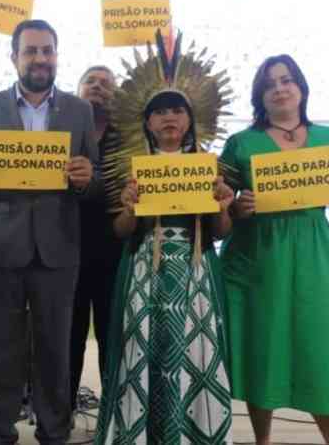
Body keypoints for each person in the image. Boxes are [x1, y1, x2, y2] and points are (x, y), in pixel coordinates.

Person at [0, 19, 101, 445]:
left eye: (47, 50)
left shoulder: (80, 111)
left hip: (59, 246)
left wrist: (86, 177)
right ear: (14, 57)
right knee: (3, 347)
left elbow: (93, 185)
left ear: (57, 55)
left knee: (56, 348)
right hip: (2, 246)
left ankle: (55, 431)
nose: (40, 58)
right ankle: (0, 431)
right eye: (31, 51)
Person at [94, 34, 234, 444]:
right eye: (160, 112)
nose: (169, 118)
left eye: (177, 110)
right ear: (147, 122)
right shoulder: (136, 169)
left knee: (193, 354)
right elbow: (121, 233)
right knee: (143, 353)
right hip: (143, 271)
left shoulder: (206, 166)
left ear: (190, 118)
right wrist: (128, 207)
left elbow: (220, 233)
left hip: (195, 274)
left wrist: (223, 206)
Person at [220, 54, 329, 445]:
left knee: (321, 347)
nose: (279, 88)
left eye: (286, 80)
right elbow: (221, 205)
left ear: (301, 88)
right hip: (257, 259)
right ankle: (262, 440)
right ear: (259, 96)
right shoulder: (240, 143)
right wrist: (237, 206)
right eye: (269, 84)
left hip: (312, 255)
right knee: (265, 345)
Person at [69, 65, 123, 419]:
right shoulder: (63, 130)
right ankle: (62, 409)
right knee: (67, 336)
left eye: (106, 84)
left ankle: (115, 412)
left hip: (115, 247)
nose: (98, 88)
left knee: (111, 334)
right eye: (91, 81)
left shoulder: (129, 137)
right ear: (77, 90)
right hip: (66, 245)